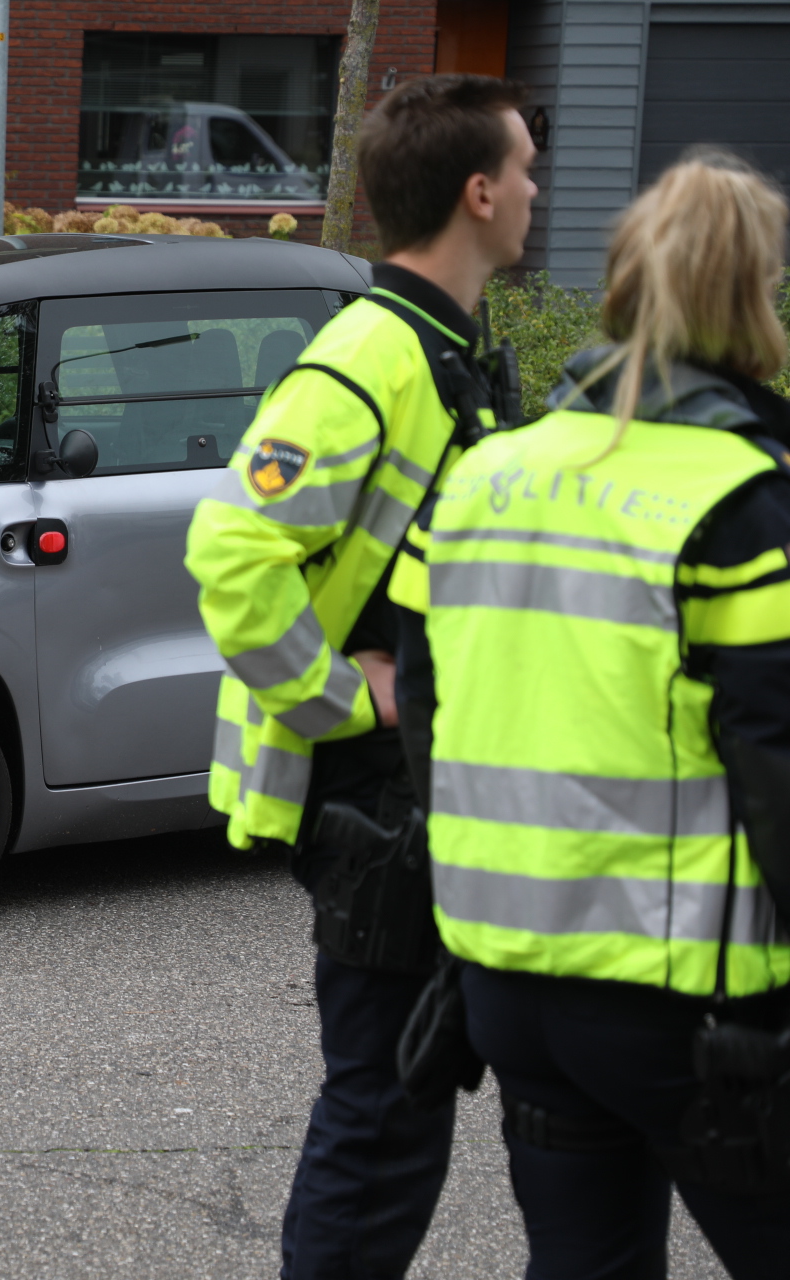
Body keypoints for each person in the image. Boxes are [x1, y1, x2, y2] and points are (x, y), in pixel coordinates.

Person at [398, 151, 790, 1276]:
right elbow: (776, 759)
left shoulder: (481, 474)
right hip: (690, 1002)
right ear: (749, 295)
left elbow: (426, 711)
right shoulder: (740, 500)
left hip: (510, 984)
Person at [183, 74, 537, 1277]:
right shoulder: (368, 357)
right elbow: (232, 552)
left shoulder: (450, 347)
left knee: (410, 1095)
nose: (539, 193)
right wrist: (349, 695)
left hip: (425, 778)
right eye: (527, 171)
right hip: (370, 786)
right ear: (478, 191)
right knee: (384, 1113)